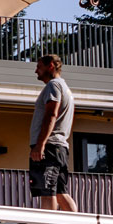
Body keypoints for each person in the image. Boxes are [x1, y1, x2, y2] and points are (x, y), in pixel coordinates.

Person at [29, 54, 77, 212]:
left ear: (50, 66)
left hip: (49, 148)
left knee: (47, 191)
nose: (36, 71)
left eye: (39, 67)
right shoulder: (65, 87)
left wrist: (40, 144)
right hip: (59, 149)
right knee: (60, 193)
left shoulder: (53, 86)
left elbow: (51, 114)